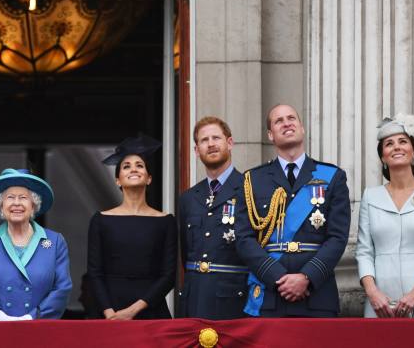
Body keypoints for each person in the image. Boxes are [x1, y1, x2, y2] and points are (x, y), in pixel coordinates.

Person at [234, 104, 350, 317]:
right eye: (278, 121)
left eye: (291, 118)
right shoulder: (252, 180)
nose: (286, 123)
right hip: (270, 294)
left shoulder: (332, 176)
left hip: (317, 295)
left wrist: (306, 277)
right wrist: (277, 276)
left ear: (302, 128)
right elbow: (244, 239)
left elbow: (338, 237)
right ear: (270, 134)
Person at [356, 114, 414, 318]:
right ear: (383, 157)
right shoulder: (370, 196)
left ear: (413, 152)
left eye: (403, 141)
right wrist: (373, 293)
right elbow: (364, 251)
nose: (396, 147)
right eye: (389, 144)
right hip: (379, 300)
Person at [87, 135, 177, 320]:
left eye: (139, 165)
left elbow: (168, 276)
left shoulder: (166, 221)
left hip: (151, 311)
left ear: (149, 178)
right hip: (110, 313)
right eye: (126, 166)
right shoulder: (101, 220)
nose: (133, 169)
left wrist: (133, 311)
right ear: (118, 180)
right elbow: (94, 273)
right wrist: (109, 312)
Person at [0, 168, 72, 320]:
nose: (16, 203)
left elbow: (62, 289)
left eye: (23, 197)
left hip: (39, 330)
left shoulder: (55, 241)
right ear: (1, 206)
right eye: (10, 197)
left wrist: (32, 317)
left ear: (33, 205)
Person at [178, 117, 248, 319]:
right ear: (196, 150)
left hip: (234, 300)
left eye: (216, 137)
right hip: (195, 298)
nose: (210, 144)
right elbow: (186, 252)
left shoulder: (249, 189)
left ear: (230, 142)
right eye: (204, 140)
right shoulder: (188, 198)